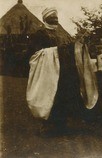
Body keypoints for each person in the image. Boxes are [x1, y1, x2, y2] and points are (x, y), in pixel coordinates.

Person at [28, 7, 81, 137]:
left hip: (62, 72)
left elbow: (67, 50)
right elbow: (36, 53)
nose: (55, 20)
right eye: (52, 18)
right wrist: (57, 50)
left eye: (56, 18)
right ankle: (47, 127)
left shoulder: (61, 34)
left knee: (61, 98)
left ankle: (61, 126)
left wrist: (74, 46)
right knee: (48, 97)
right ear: (45, 19)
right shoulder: (39, 34)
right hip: (48, 72)